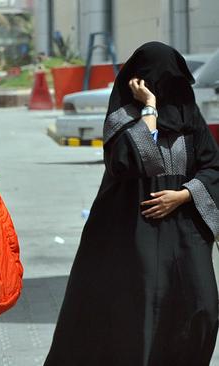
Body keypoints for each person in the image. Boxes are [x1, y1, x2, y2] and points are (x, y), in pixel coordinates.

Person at [45, 42, 219, 365]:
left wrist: (182, 195)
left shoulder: (188, 115)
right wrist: (150, 108)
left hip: (184, 232)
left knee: (202, 307)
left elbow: (212, 166)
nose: (168, 89)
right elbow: (132, 162)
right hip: (134, 233)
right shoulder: (122, 118)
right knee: (143, 317)